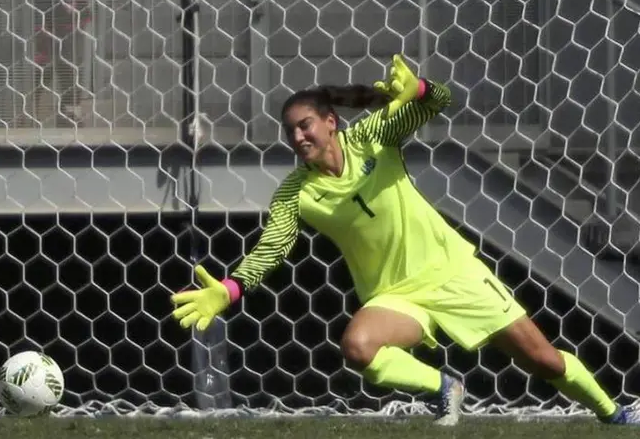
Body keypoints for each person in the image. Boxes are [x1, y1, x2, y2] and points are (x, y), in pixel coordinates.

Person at [170, 54, 635, 426]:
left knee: (545, 362)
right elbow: (271, 248)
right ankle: (443, 387)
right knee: (359, 347)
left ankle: (614, 413)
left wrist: (421, 90)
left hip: (452, 272)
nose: (297, 136)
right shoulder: (297, 192)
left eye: (305, 124)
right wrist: (229, 289)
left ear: (331, 121)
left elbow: (439, 103)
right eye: (290, 129)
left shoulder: (373, 138)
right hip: (395, 296)